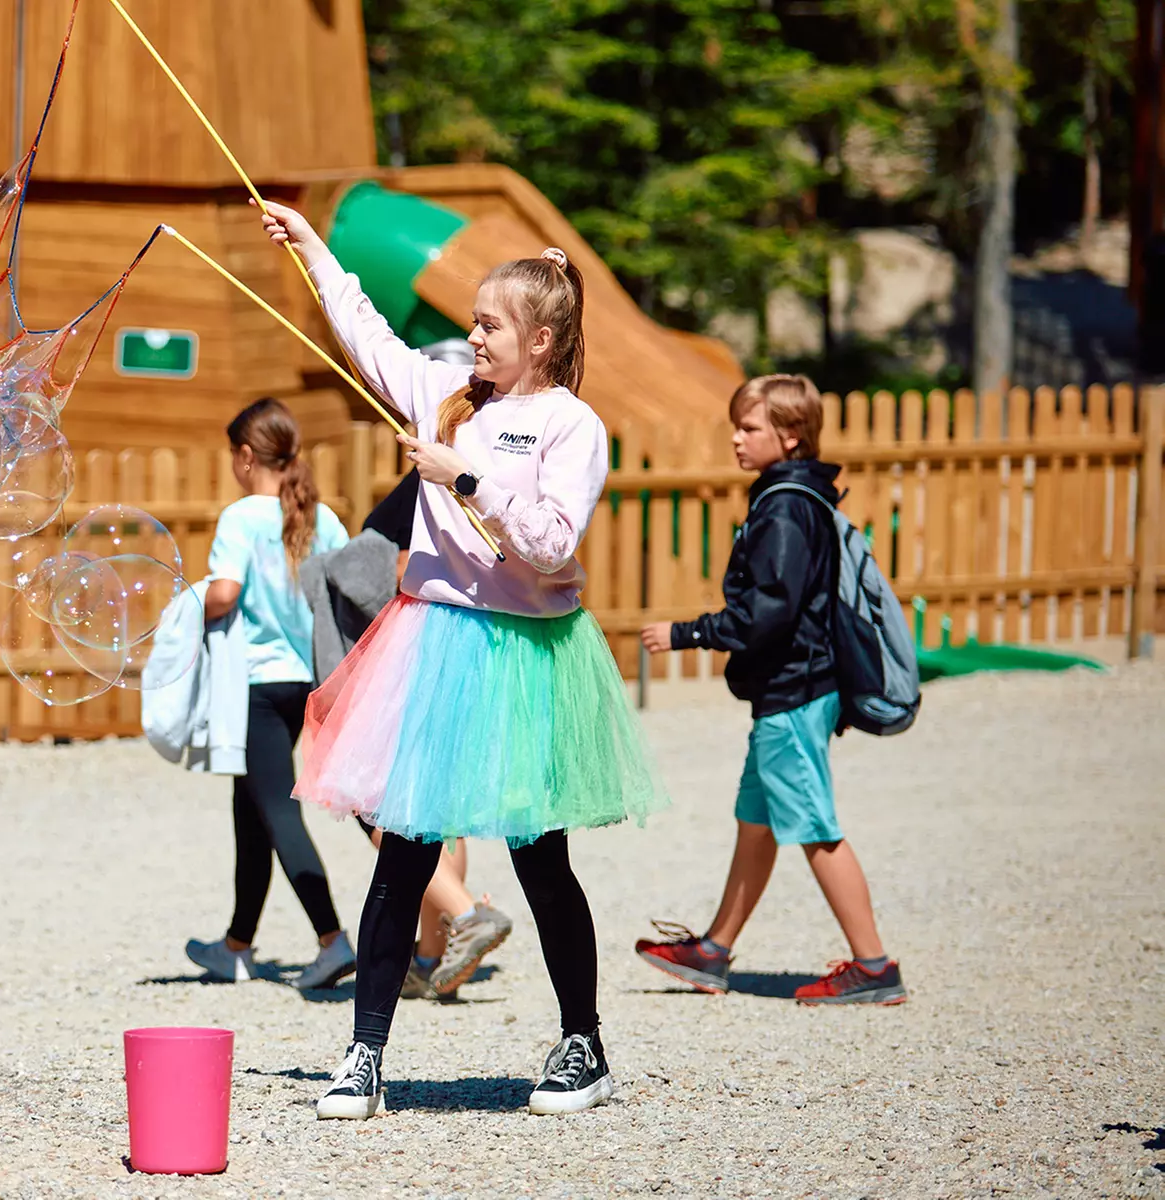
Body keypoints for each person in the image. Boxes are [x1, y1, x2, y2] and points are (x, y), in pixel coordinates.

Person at [260, 201, 666, 1120]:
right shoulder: (446, 397)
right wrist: (314, 250)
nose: (471, 338)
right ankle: (363, 1056)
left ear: (544, 339)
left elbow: (554, 546)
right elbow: (363, 333)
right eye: (472, 323)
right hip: (435, 639)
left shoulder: (571, 426)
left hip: (528, 653)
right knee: (402, 850)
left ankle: (581, 1045)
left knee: (538, 855)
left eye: (488, 325)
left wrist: (464, 479)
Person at [635, 375, 907, 1006]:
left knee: (816, 828)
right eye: (737, 425)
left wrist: (687, 632)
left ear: (790, 435)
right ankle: (714, 950)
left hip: (795, 692)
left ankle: (873, 968)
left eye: (749, 428)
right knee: (756, 822)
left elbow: (770, 612)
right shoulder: (795, 496)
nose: (736, 438)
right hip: (791, 691)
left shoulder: (785, 506)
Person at [305, 470, 514, 1002]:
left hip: (406, 668)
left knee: (378, 807)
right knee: (440, 813)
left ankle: (467, 913)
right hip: (464, 657)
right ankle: (429, 959)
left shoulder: (431, 481)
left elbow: (399, 571)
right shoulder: (490, 475)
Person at [184, 397, 360, 992]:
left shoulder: (240, 518)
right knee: (252, 808)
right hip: (310, 680)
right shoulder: (325, 518)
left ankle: (332, 940)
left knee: (279, 810)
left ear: (243, 456)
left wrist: (187, 604)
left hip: (257, 683)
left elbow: (225, 594)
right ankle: (235, 946)